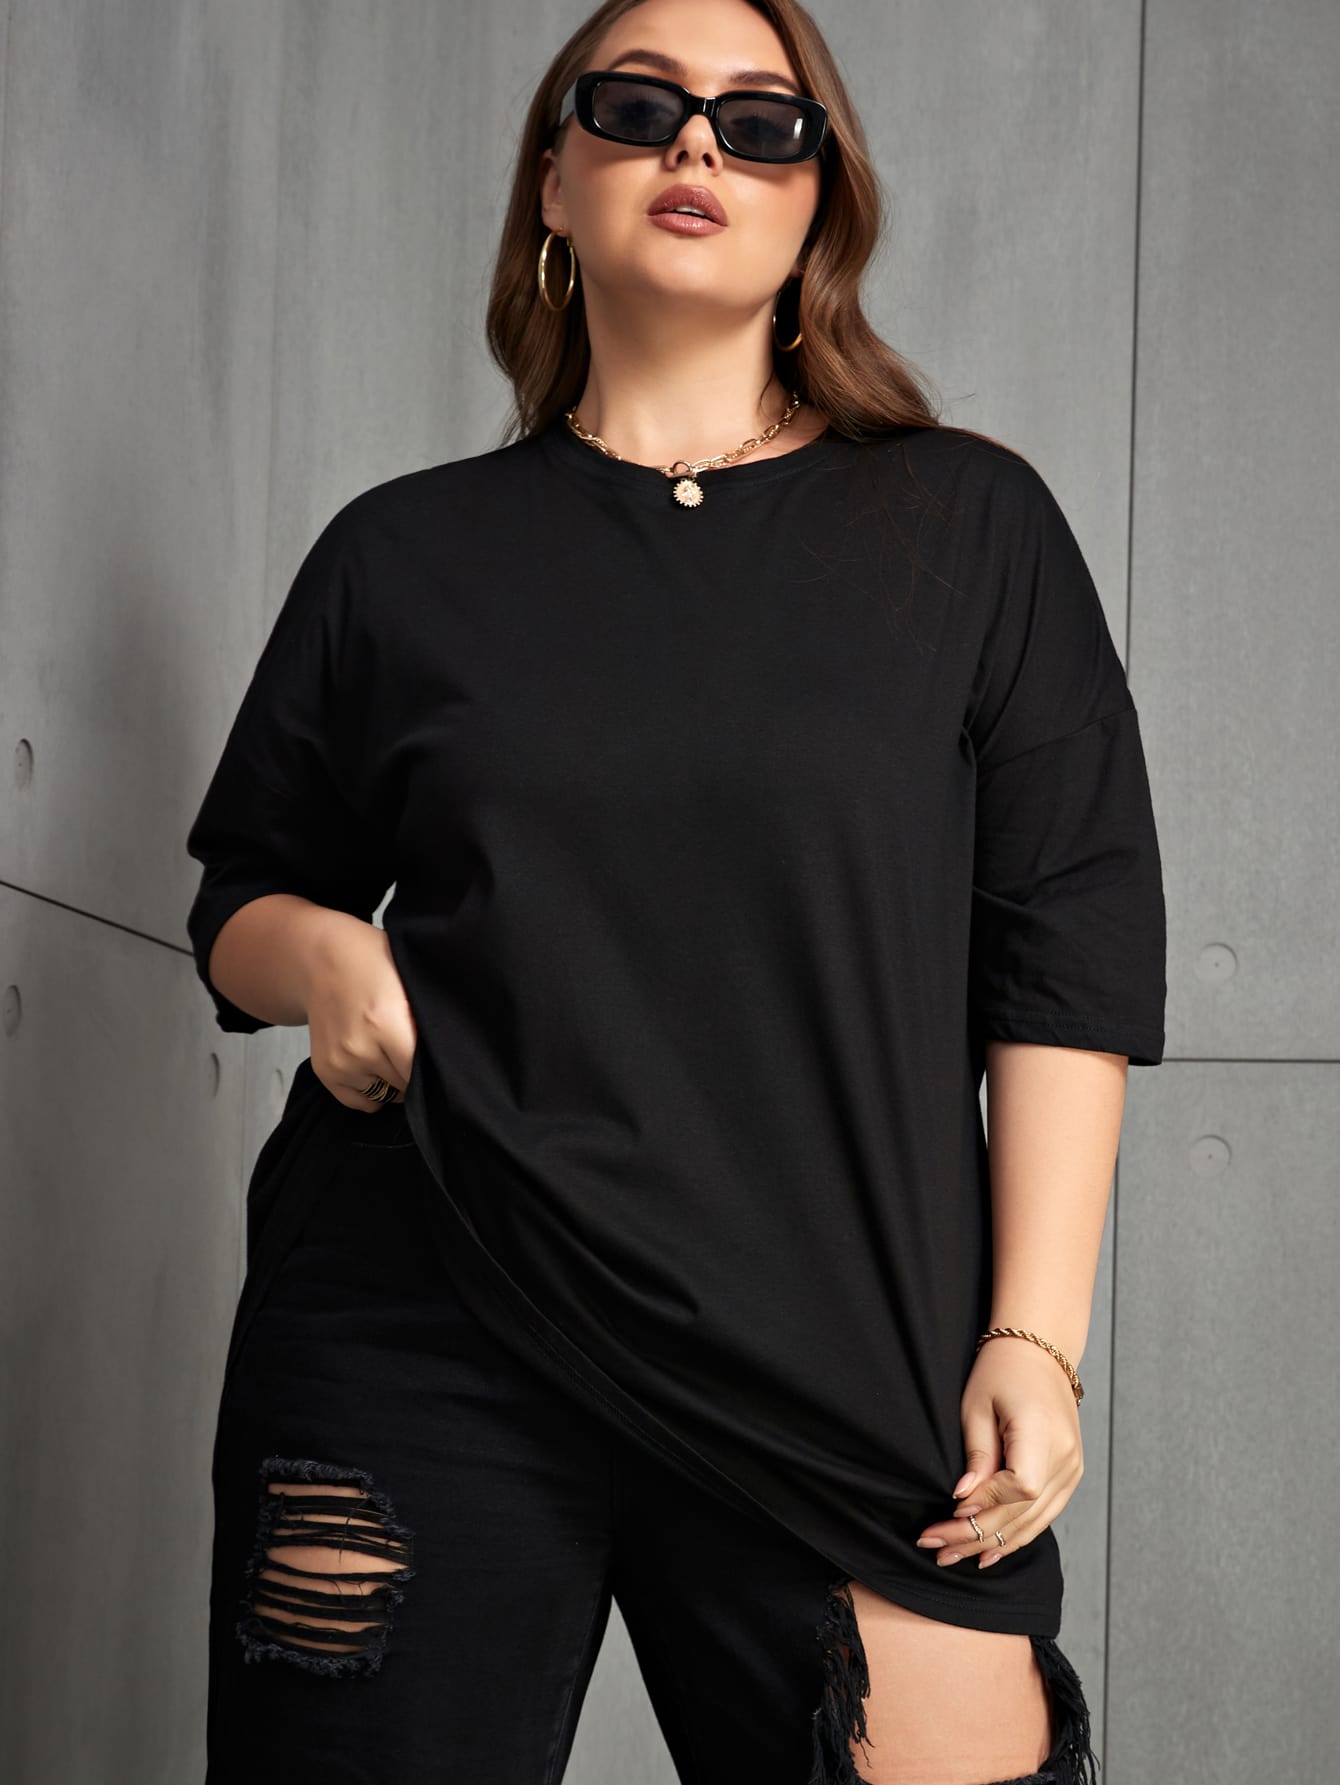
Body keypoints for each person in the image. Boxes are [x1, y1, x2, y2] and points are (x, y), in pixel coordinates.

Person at [185, 1, 1165, 1780]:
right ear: (554, 183)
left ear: (820, 203)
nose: (697, 142)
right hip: (425, 1313)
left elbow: (1065, 953)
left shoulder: (969, 530)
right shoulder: (402, 553)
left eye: (760, 121)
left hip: (836, 1344)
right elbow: (241, 897)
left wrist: (1036, 1333)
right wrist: (322, 956)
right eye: (636, 107)